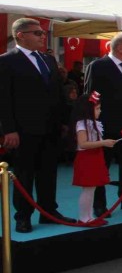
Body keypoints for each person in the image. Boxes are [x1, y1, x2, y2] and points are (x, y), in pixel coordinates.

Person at [0, 18, 76, 233]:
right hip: (24, 130)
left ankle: (49, 211)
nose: (43, 36)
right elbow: (3, 99)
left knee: (48, 173)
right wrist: (8, 130)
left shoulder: (48, 60)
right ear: (20, 35)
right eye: (37, 33)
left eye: (42, 33)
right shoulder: (6, 61)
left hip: (51, 128)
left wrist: (63, 122)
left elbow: (57, 93)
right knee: (24, 175)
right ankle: (23, 216)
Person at [84, 33, 122, 216]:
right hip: (106, 126)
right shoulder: (98, 66)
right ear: (119, 48)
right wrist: (93, 124)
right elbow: (91, 95)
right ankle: (99, 204)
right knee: (103, 166)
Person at [71, 92, 116, 226]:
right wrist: (103, 143)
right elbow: (83, 144)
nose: (100, 111)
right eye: (97, 108)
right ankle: (84, 218)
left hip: (95, 156)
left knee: (92, 189)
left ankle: (89, 216)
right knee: (88, 189)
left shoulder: (93, 123)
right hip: (87, 158)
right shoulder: (82, 124)